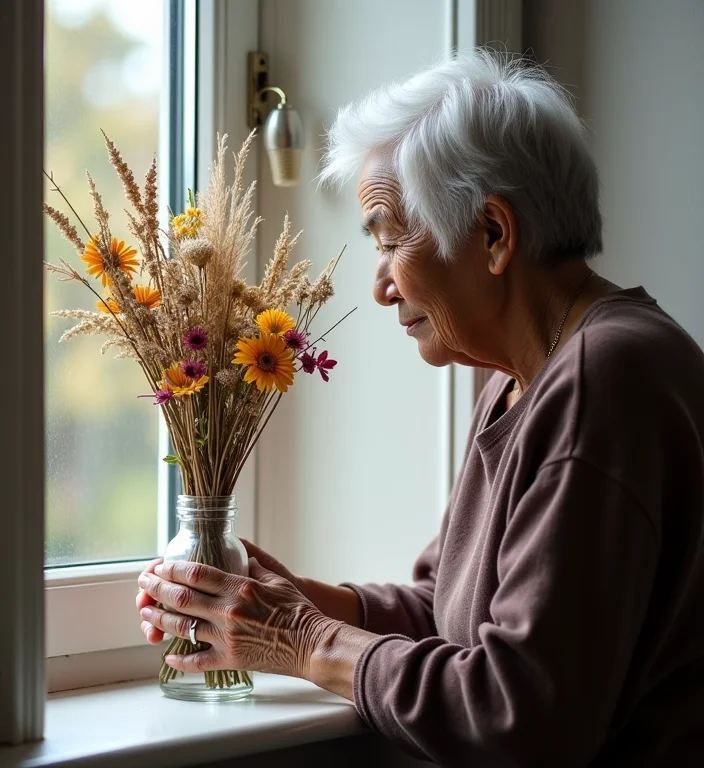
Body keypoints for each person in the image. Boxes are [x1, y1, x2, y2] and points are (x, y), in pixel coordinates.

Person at [136, 50, 704, 765]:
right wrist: (273, 598)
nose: (380, 285)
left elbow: (519, 716)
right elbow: (445, 611)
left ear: (494, 234)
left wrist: (303, 640)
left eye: (391, 238)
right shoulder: (519, 378)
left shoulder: (604, 378)